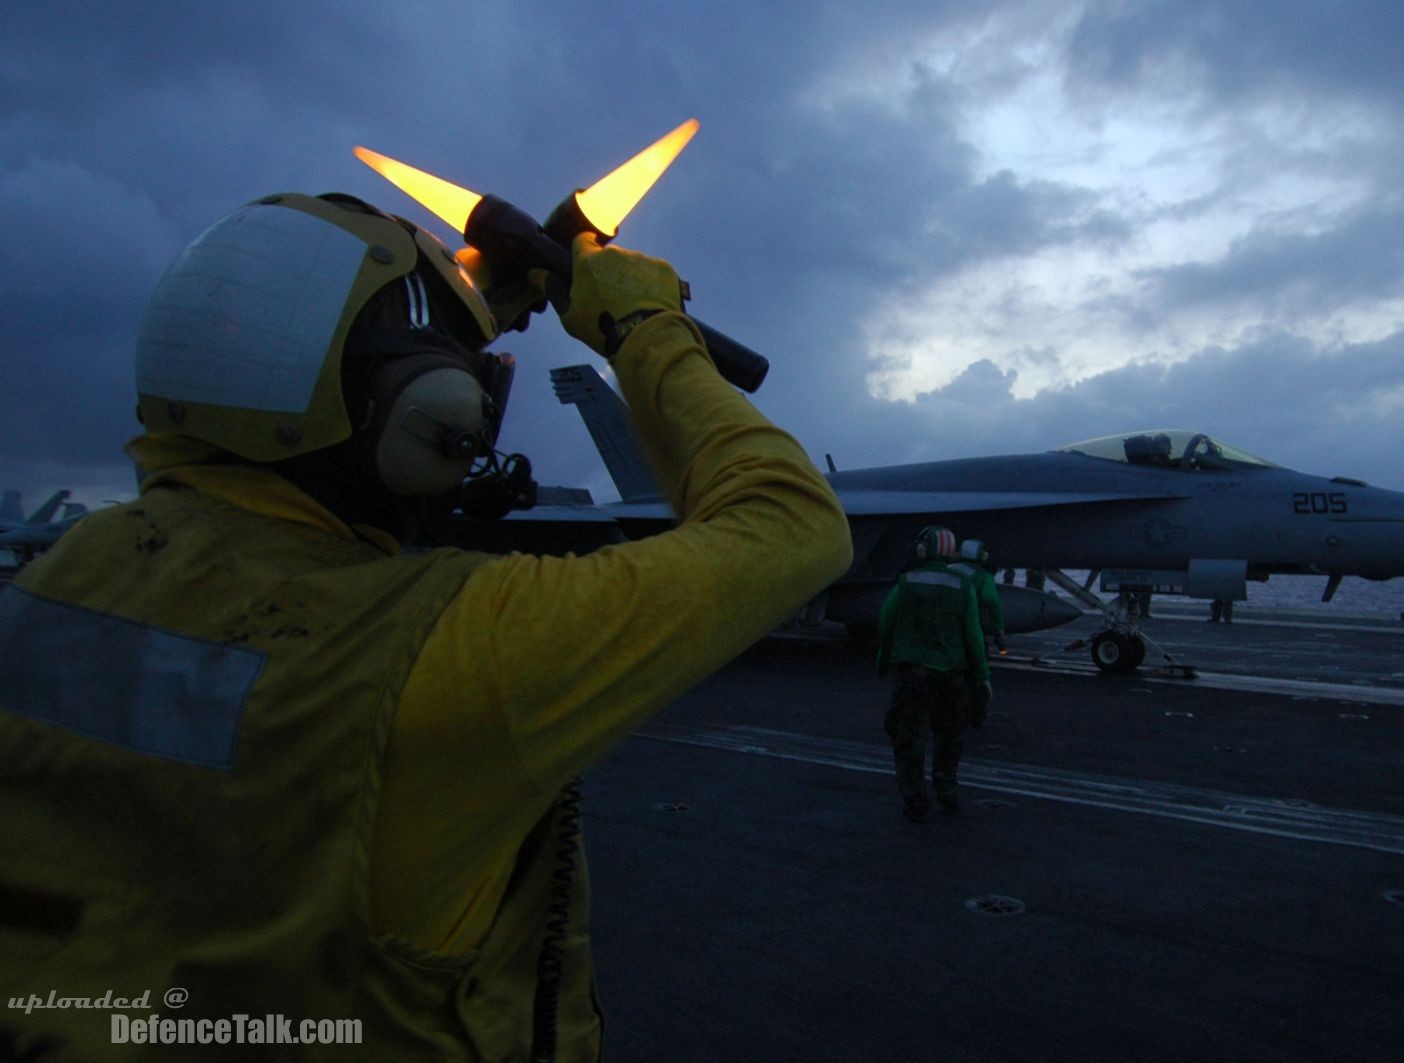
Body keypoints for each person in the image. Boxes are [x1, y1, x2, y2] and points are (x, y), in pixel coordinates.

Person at [0, 192, 851, 1060]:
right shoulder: (453, 638)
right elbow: (792, 524)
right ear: (425, 412)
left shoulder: (63, 576)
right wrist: (643, 323)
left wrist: (485, 307)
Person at [876, 526, 990, 820]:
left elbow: (886, 622)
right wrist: (982, 676)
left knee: (909, 738)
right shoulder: (962, 585)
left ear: (922, 549)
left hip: (913, 675)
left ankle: (915, 800)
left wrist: (882, 661)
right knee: (951, 736)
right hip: (952, 675)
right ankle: (946, 788)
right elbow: (974, 635)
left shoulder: (906, 581)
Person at [948, 538, 1006, 728]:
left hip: (945, 632)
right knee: (977, 676)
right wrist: (999, 626)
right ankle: (977, 715)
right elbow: (991, 600)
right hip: (971, 632)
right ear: (982, 555)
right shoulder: (983, 576)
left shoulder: (948, 570)